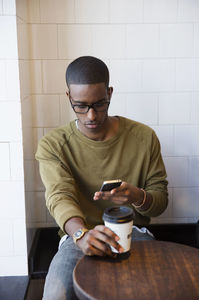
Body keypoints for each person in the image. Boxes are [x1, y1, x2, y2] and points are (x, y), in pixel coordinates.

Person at [36, 56, 168, 299]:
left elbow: (160, 203)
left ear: (109, 93)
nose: (91, 116)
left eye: (99, 104)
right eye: (80, 106)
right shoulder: (53, 145)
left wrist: (137, 196)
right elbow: (59, 197)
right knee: (56, 295)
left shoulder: (144, 137)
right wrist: (80, 234)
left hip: (133, 233)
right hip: (78, 236)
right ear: (68, 98)